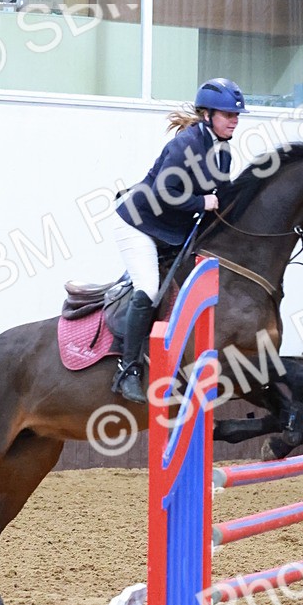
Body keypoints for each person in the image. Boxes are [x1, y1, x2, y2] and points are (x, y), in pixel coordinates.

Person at [111, 77, 247, 404]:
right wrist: (202, 203)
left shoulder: (223, 152)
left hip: (173, 231)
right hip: (139, 225)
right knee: (148, 288)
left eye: (236, 115)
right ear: (207, 115)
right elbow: (164, 192)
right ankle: (127, 369)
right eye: (228, 115)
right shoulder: (184, 145)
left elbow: (221, 198)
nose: (235, 121)